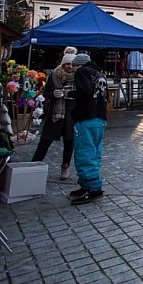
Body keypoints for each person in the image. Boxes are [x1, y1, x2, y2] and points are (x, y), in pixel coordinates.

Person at [67, 53, 108, 205]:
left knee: (84, 152)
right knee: (94, 152)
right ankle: (86, 184)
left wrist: (69, 93)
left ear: (79, 65)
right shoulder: (100, 73)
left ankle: (93, 188)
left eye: (74, 66)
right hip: (100, 118)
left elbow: (84, 92)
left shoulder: (82, 72)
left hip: (87, 117)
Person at [31, 47, 77, 180]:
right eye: (67, 64)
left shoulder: (78, 76)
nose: (69, 66)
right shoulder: (55, 75)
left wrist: (73, 95)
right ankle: (34, 165)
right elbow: (46, 93)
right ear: (63, 64)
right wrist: (54, 94)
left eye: (72, 64)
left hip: (70, 112)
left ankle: (65, 168)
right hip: (55, 113)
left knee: (69, 142)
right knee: (45, 140)